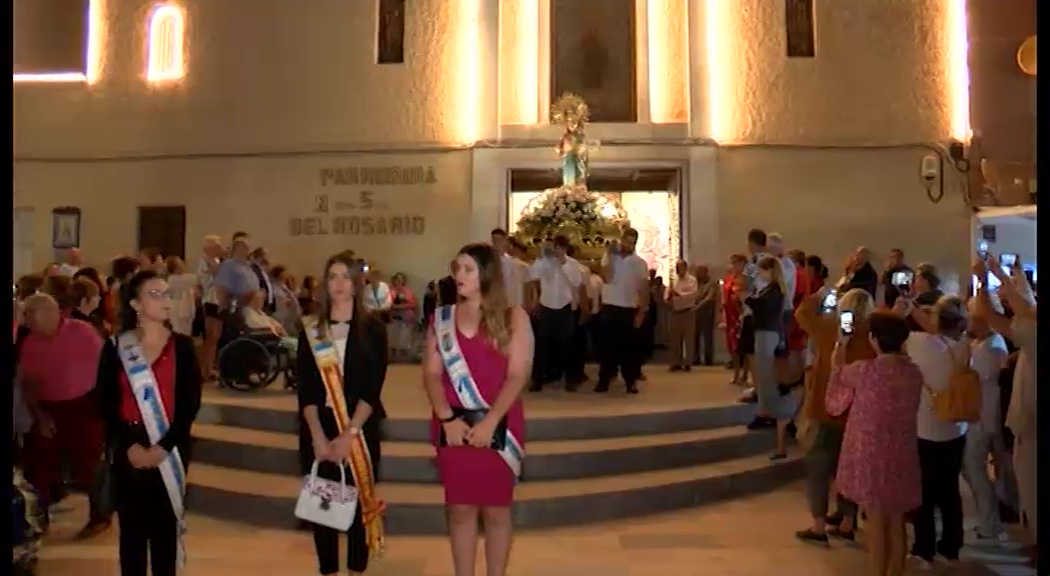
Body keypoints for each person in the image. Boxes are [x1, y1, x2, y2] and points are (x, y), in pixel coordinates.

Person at [423, 243, 532, 576]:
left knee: (497, 512)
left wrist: (491, 422)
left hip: (500, 424)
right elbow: (430, 373)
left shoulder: (515, 316)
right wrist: (446, 418)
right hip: (452, 424)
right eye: (457, 268)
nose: (459, 275)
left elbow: (517, 375)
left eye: (468, 269)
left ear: (486, 274)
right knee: (459, 510)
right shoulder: (441, 319)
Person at [96, 270, 202, 576]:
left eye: (167, 294)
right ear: (135, 304)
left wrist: (164, 447)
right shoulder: (118, 347)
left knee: (165, 537)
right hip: (127, 447)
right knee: (131, 537)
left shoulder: (182, 347)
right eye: (155, 294)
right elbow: (105, 402)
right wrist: (128, 445)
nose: (165, 300)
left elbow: (189, 405)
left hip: (169, 448)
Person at [297, 252, 388, 576]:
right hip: (318, 429)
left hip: (359, 429)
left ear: (356, 283)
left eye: (345, 277)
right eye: (332, 276)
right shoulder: (311, 328)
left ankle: (355, 570)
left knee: (356, 509)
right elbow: (305, 388)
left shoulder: (374, 329)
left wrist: (349, 434)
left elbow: (372, 389)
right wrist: (319, 437)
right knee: (324, 512)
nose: (338, 284)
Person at [825, 311, 923, 576]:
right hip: (902, 450)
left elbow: (836, 396)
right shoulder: (913, 372)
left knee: (876, 521)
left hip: (873, 452)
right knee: (897, 520)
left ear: (874, 339)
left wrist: (839, 352)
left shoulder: (865, 370)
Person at [19, 293, 110, 538]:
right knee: (39, 465)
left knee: (91, 464)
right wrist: (39, 417)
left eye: (32, 318)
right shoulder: (30, 342)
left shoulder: (82, 332)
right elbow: (28, 384)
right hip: (49, 409)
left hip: (85, 405)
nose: (28, 324)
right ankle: (38, 520)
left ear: (51, 313)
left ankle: (100, 516)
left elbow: (108, 368)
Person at [793, 288, 876, 545]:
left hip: (824, 409)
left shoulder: (831, 328)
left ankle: (818, 525)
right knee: (847, 470)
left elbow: (802, 314)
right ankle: (848, 521)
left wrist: (820, 294)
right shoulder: (873, 337)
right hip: (856, 415)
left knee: (818, 468)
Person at [973, 254, 1037, 564]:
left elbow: (991, 313)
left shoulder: (1034, 337)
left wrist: (990, 276)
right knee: (1027, 489)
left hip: (1033, 426)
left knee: (1033, 490)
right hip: (1027, 424)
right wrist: (1010, 275)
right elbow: (1026, 302)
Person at [899, 295, 969, 566]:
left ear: (937, 319)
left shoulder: (921, 344)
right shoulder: (963, 347)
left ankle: (923, 547)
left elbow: (904, 336)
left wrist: (912, 310)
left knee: (924, 493)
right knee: (950, 490)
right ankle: (952, 547)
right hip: (956, 427)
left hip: (926, 428)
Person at [961, 295, 1013, 542]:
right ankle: (990, 518)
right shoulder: (984, 344)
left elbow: (970, 375)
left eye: (972, 318)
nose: (969, 323)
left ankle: (990, 522)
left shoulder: (992, 347)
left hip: (983, 417)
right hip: (981, 415)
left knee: (975, 468)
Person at [596, 229, 649, 394]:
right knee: (606, 347)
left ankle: (630, 381)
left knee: (628, 349)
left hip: (628, 308)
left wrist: (642, 312)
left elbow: (643, 289)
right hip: (610, 306)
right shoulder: (609, 257)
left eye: (632, 242)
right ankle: (604, 380)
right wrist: (611, 256)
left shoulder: (640, 263)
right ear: (621, 240)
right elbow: (607, 278)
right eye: (627, 241)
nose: (629, 245)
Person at [528, 236, 582, 391]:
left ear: (565, 249)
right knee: (542, 345)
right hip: (546, 306)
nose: (558, 251)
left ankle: (570, 379)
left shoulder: (572, 263)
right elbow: (533, 274)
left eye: (561, 248)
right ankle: (538, 379)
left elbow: (576, 282)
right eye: (556, 247)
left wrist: (563, 263)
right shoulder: (545, 262)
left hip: (564, 308)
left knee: (567, 346)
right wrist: (541, 256)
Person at [745, 256, 785, 432]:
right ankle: (764, 411)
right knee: (763, 375)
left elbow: (766, 311)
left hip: (767, 332)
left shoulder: (775, 290)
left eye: (762, 270)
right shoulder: (769, 289)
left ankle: (768, 413)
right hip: (763, 332)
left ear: (770, 270)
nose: (760, 274)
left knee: (766, 375)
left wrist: (748, 300)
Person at [666, 260, 698, 371]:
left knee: (688, 338)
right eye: (677, 267)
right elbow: (666, 295)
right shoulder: (674, 281)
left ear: (685, 267)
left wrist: (679, 294)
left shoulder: (692, 280)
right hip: (675, 312)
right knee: (675, 338)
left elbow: (693, 294)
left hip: (687, 311)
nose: (678, 269)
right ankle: (676, 362)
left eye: (680, 267)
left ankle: (688, 362)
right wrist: (668, 297)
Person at [692, 264, 719, 366]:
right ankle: (695, 357)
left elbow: (709, 297)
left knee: (707, 336)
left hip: (706, 312)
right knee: (694, 335)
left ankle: (708, 358)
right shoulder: (694, 282)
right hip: (695, 312)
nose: (697, 274)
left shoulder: (711, 283)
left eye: (700, 272)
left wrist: (697, 306)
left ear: (705, 273)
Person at [388, 272, 418, 361]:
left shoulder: (407, 291)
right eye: (397, 279)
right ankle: (392, 357)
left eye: (400, 279)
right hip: (393, 316)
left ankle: (404, 358)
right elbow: (387, 303)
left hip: (406, 317)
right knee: (393, 336)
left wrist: (402, 306)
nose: (398, 281)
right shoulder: (390, 290)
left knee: (404, 337)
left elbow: (413, 304)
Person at [165, 257, 198, 337]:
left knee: (182, 329)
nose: (183, 265)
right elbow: (196, 279)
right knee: (181, 330)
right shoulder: (175, 279)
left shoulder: (171, 279)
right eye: (180, 263)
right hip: (179, 307)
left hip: (179, 306)